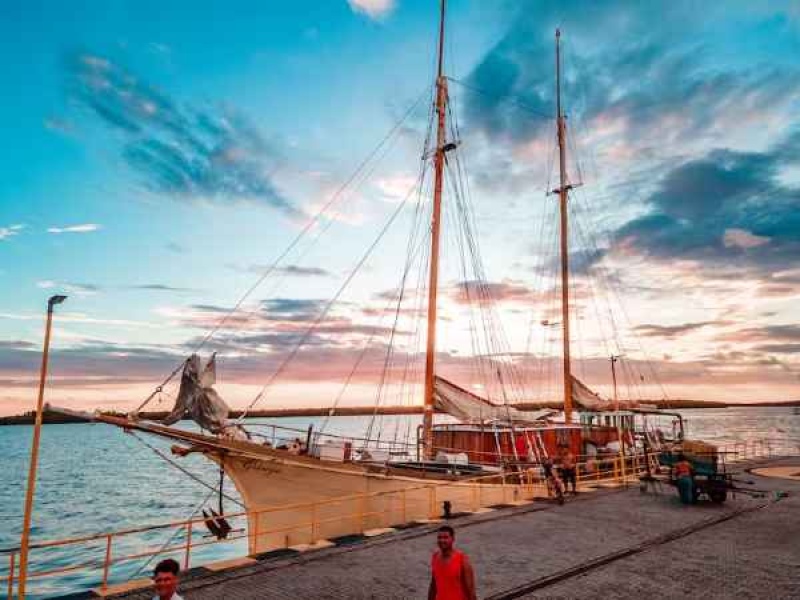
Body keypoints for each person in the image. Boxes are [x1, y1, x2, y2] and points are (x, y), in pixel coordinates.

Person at [428, 525, 477, 600]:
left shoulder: (462, 560)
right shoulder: (435, 557)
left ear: (453, 539)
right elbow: (433, 585)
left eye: (445, 537)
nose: (442, 540)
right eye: (439, 538)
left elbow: (470, 590)